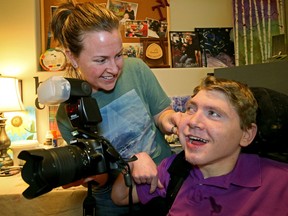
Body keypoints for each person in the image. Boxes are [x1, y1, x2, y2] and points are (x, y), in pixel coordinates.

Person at [51, 1, 180, 215]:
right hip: (116, 205)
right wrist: (84, 175)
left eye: (118, 55)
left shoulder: (136, 69)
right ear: (73, 57)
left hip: (164, 189)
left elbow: (161, 114)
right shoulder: (68, 114)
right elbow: (100, 179)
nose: (114, 68)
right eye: (101, 60)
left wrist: (171, 120)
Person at [112, 76, 288, 215]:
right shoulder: (174, 169)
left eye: (213, 113)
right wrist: (134, 162)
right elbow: (119, 197)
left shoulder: (280, 183)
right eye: (191, 109)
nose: (193, 121)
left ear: (246, 134)